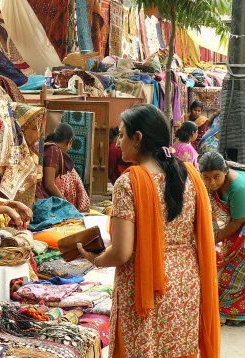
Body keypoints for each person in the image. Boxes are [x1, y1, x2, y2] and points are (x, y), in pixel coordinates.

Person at [77, 104, 219, 357]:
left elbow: (121, 253)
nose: (118, 143)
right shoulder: (191, 175)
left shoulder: (129, 182)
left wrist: (95, 259)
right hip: (185, 280)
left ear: (138, 137)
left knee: (143, 349)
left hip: (146, 284)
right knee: (179, 348)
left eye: (121, 135)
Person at [199, 151, 245, 326]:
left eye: (216, 177)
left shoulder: (238, 187)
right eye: (207, 178)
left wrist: (214, 238)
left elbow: (238, 220)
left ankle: (233, 313)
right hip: (237, 225)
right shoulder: (205, 183)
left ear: (225, 171)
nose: (211, 183)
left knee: (233, 270)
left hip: (241, 224)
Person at [35, 123, 90, 212]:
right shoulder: (53, 150)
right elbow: (49, 184)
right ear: (69, 142)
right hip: (40, 199)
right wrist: (65, 203)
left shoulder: (48, 147)